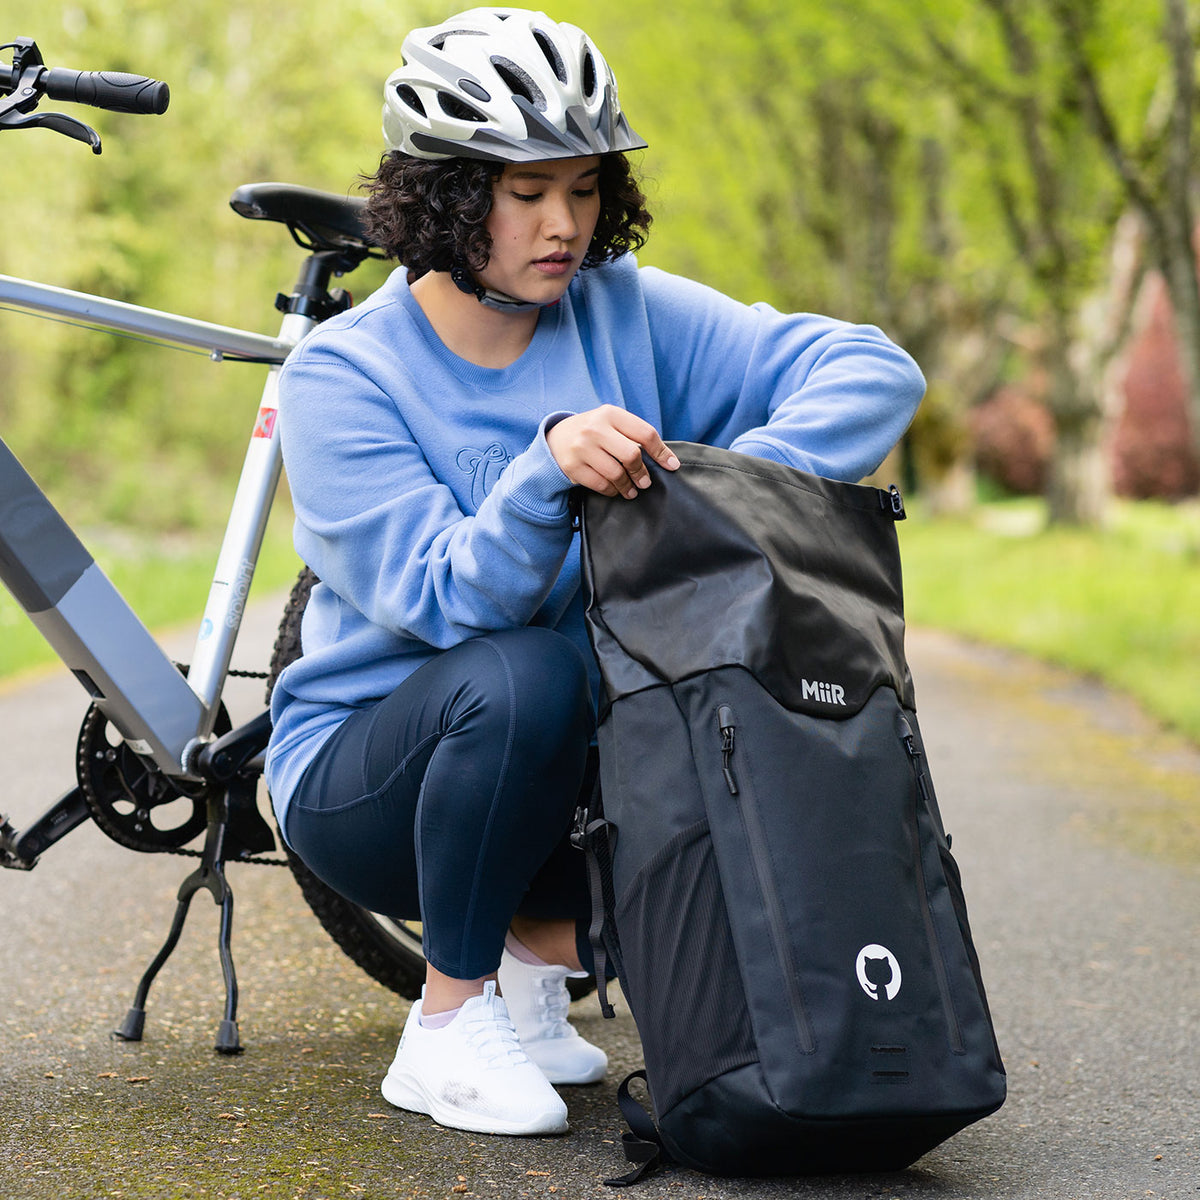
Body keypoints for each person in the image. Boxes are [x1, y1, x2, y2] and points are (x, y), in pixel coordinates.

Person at [264, 6, 925, 1138]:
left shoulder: (622, 311)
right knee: (524, 669)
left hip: (573, 764)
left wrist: (722, 487)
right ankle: (445, 1021)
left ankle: (529, 961)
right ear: (449, 195)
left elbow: (873, 369)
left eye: (582, 188)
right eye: (525, 195)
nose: (563, 224)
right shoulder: (344, 376)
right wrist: (542, 472)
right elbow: (443, 599)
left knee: (767, 768)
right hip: (368, 784)